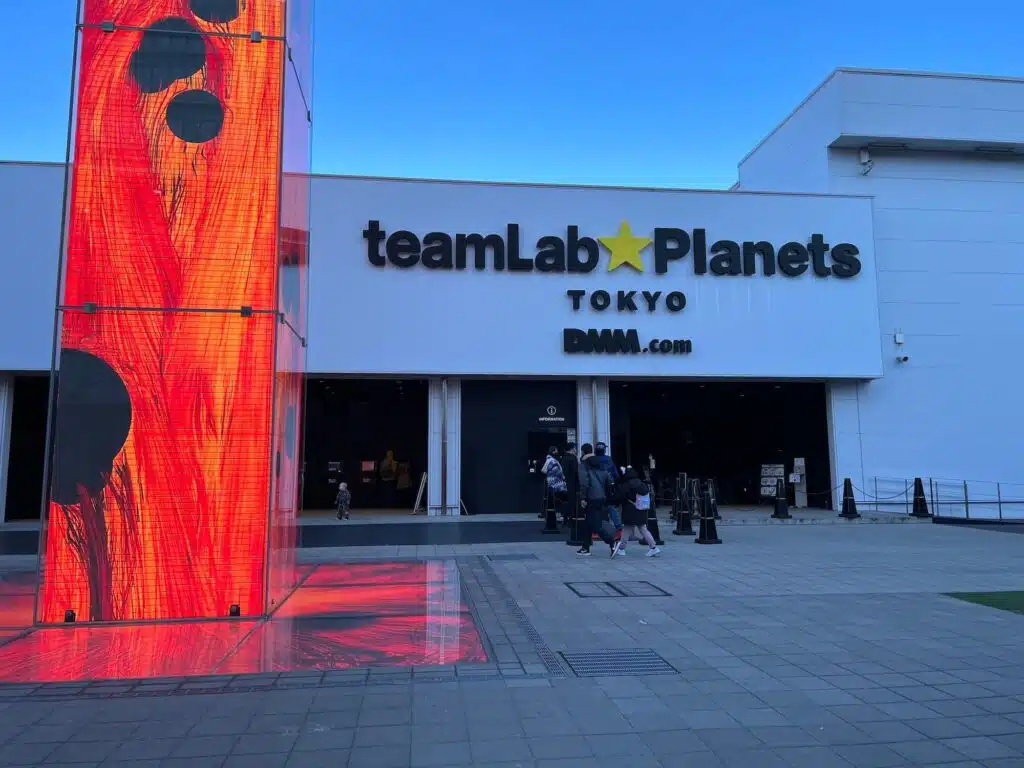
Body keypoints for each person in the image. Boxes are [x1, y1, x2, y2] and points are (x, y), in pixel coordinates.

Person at [576, 443, 617, 557]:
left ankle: (611, 542)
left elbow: (584, 484)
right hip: (601, 497)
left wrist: (583, 498)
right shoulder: (602, 468)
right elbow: (609, 483)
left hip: (591, 498)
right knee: (588, 522)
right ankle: (585, 547)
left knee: (595, 524)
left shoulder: (585, 468)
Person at [614, 468, 661, 557]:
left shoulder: (627, 485)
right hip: (641, 508)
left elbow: (621, 496)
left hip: (630, 509)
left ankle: (621, 549)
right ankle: (654, 547)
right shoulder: (641, 484)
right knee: (643, 529)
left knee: (627, 529)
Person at [594, 442, 623, 534]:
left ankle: (597, 529)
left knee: (596, 509)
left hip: (596, 489)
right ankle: (618, 527)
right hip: (608, 488)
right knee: (611, 508)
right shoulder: (608, 460)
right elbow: (616, 475)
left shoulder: (593, 460)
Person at [540, 446, 568, 521]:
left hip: (552, 482)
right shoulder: (552, 461)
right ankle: (563, 515)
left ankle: (550, 514)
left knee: (554, 499)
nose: (557, 452)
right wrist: (563, 477)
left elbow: (544, 471)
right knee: (563, 498)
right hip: (557, 483)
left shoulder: (548, 460)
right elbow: (557, 471)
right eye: (556, 451)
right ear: (553, 451)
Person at [561, 442, 580, 524]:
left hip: (564, 483)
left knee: (566, 501)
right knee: (572, 502)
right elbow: (576, 472)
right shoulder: (573, 458)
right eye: (575, 448)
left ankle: (565, 518)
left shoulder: (563, 458)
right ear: (572, 448)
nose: (576, 450)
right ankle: (571, 519)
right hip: (572, 483)